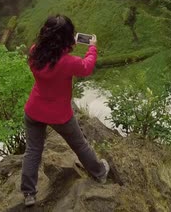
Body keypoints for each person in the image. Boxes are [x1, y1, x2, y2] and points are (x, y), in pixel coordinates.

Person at [21, 15, 109, 207]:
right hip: (59, 114)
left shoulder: (35, 52)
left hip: (34, 110)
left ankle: (29, 193)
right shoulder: (68, 62)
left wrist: (67, 46)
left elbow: (52, 58)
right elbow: (86, 67)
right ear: (66, 38)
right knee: (80, 145)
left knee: (33, 150)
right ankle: (100, 173)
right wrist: (92, 47)